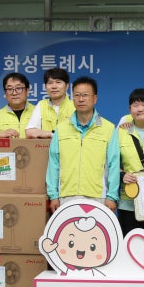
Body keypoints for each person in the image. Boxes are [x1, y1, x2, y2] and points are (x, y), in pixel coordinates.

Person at [46, 76, 120, 213]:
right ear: (72, 98)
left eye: (85, 95)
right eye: (77, 95)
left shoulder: (108, 128)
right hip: (66, 196)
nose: (81, 99)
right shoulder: (61, 129)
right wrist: (53, 195)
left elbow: (114, 164)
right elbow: (53, 163)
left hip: (98, 197)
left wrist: (112, 196)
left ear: (94, 98)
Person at [118, 88, 144, 235]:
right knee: (131, 243)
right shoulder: (120, 132)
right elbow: (110, 163)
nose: (141, 109)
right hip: (129, 201)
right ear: (130, 109)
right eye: (136, 105)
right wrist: (122, 175)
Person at [25, 68, 75, 139]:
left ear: (67, 86)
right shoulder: (42, 105)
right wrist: (52, 134)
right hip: (46, 146)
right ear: (45, 87)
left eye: (58, 82)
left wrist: (44, 134)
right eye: (50, 83)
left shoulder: (75, 106)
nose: (54, 86)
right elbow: (30, 132)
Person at [0, 72, 35, 138]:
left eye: (19, 88)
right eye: (10, 89)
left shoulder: (39, 112)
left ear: (27, 91)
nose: (14, 93)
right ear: (5, 93)